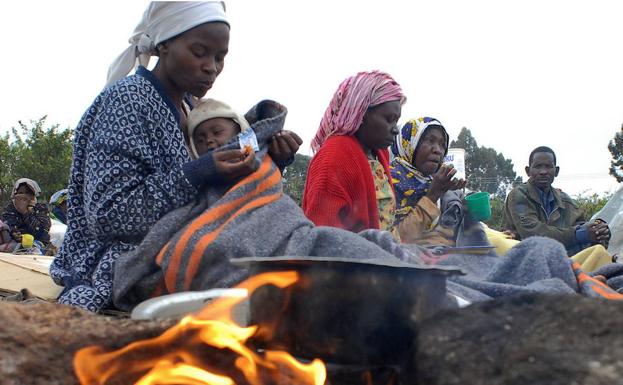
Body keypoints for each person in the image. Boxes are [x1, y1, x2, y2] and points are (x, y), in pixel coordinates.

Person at [50, 1, 301, 312]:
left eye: (220, 57)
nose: (211, 66)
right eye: (200, 52)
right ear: (165, 44)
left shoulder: (194, 111)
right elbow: (108, 216)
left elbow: (214, 187)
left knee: (292, 253)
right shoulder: (127, 101)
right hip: (126, 260)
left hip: (181, 244)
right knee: (274, 281)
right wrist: (200, 172)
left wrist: (270, 159)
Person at [302, 70, 404, 233]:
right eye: (389, 119)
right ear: (361, 113)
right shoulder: (334, 156)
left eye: (396, 121)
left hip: (383, 255)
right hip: (355, 257)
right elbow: (324, 236)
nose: (396, 130)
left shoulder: (378, 154)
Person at [503, 146, 612, 270]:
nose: (543, 171)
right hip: (523, 260)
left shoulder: (565, 200)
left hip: (557, 259)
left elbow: (582, 225)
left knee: (598, 246)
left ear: (556, 171)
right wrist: (580, 234)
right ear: (528, 171)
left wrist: (599, 230)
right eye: (538, 166)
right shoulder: (518, 195)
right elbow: (533, 233)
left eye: (548, 166)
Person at [390, 117, 468, 246]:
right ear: (409, 144)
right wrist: (433, 196)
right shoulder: (388, 180)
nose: (438, 150)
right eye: (430, 141)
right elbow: (395, 240)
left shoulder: (437, 182)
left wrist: (451, 195)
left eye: (443, 145)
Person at [0, 178, 51, 253]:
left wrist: (25, 212)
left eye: (27, 193)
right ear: (15, 194)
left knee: (34, 250)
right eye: (20, 193)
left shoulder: (41, 208)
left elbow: (41, 231)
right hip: (14, 243)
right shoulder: (10, 208)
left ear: (33, 195)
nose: (23, 196)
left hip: (39, 242)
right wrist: (14, 233)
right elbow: (7, 225)